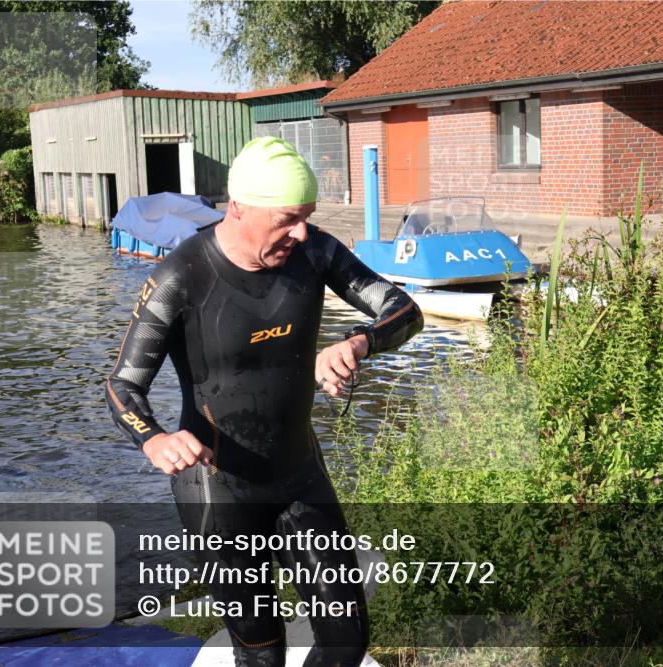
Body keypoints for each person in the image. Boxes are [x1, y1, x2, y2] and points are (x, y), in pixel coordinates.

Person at [105, 137, 424, 667]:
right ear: (239, 208)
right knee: (261, 651)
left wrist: (358, 341)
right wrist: (154, 438)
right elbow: (122, 386)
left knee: (347, 641)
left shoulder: (315, 252)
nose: (299, 232)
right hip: (217, 489)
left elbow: (402, 308)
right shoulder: (179, 277)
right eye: (286, 219)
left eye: (307, 217)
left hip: (298, 473)